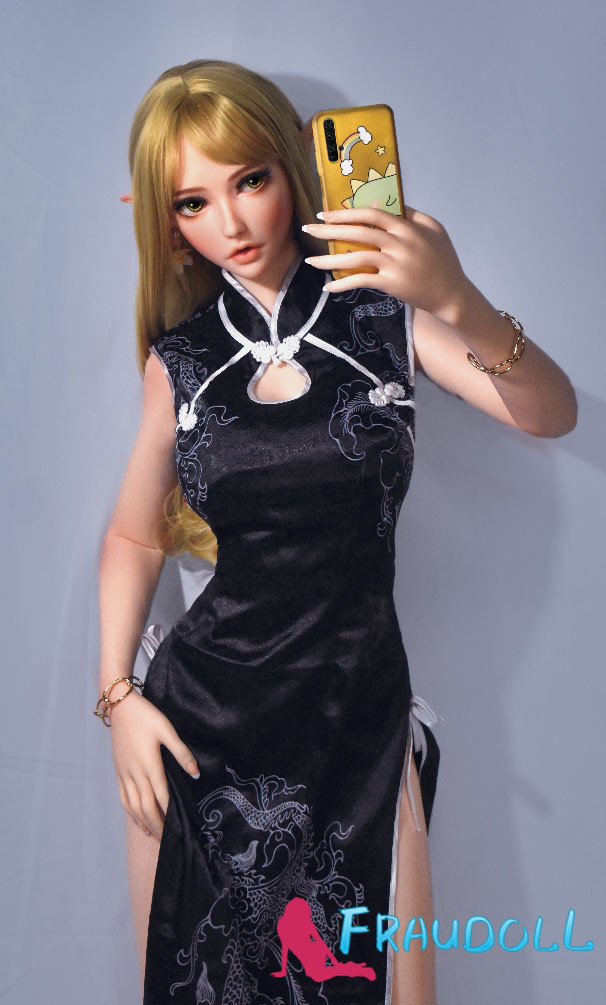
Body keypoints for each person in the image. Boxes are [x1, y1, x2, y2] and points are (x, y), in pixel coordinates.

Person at [94, 59, 577, 1005]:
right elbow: (134, 537)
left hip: (358, 721)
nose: (232, 222)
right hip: (197, 733)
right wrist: (120, 698)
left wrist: (458, 298)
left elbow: (550, 413)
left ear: (291, 167)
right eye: (193, 201)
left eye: (250, 180)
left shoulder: (381, 317)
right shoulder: (181, 361)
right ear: (165, 220)